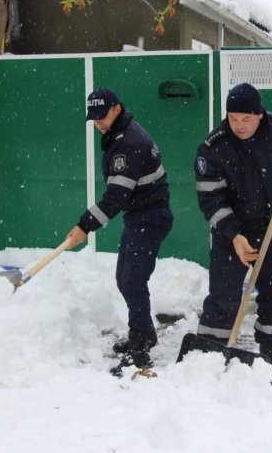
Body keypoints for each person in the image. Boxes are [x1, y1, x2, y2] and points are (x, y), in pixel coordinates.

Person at [193, 82, 272, 369]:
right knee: (223, 294)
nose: (239, 125)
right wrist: (234, 236)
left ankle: (268, 354)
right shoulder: (214, 147)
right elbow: (210, 199)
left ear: (260, 114)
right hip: (231, 232)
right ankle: (209, 356)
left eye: (246, 118)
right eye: (233, 119)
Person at [66, 88, 173, 373]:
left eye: (102, 116)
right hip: (140, 215)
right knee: (124, 278)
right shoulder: (119, 133)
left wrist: (84, 227)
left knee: (133, 281)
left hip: (150, 217)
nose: (99, 122)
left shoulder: (129, 143)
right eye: (94, 118)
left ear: (116, 108)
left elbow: (116, 197)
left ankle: (140, 349)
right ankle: (145, 333)